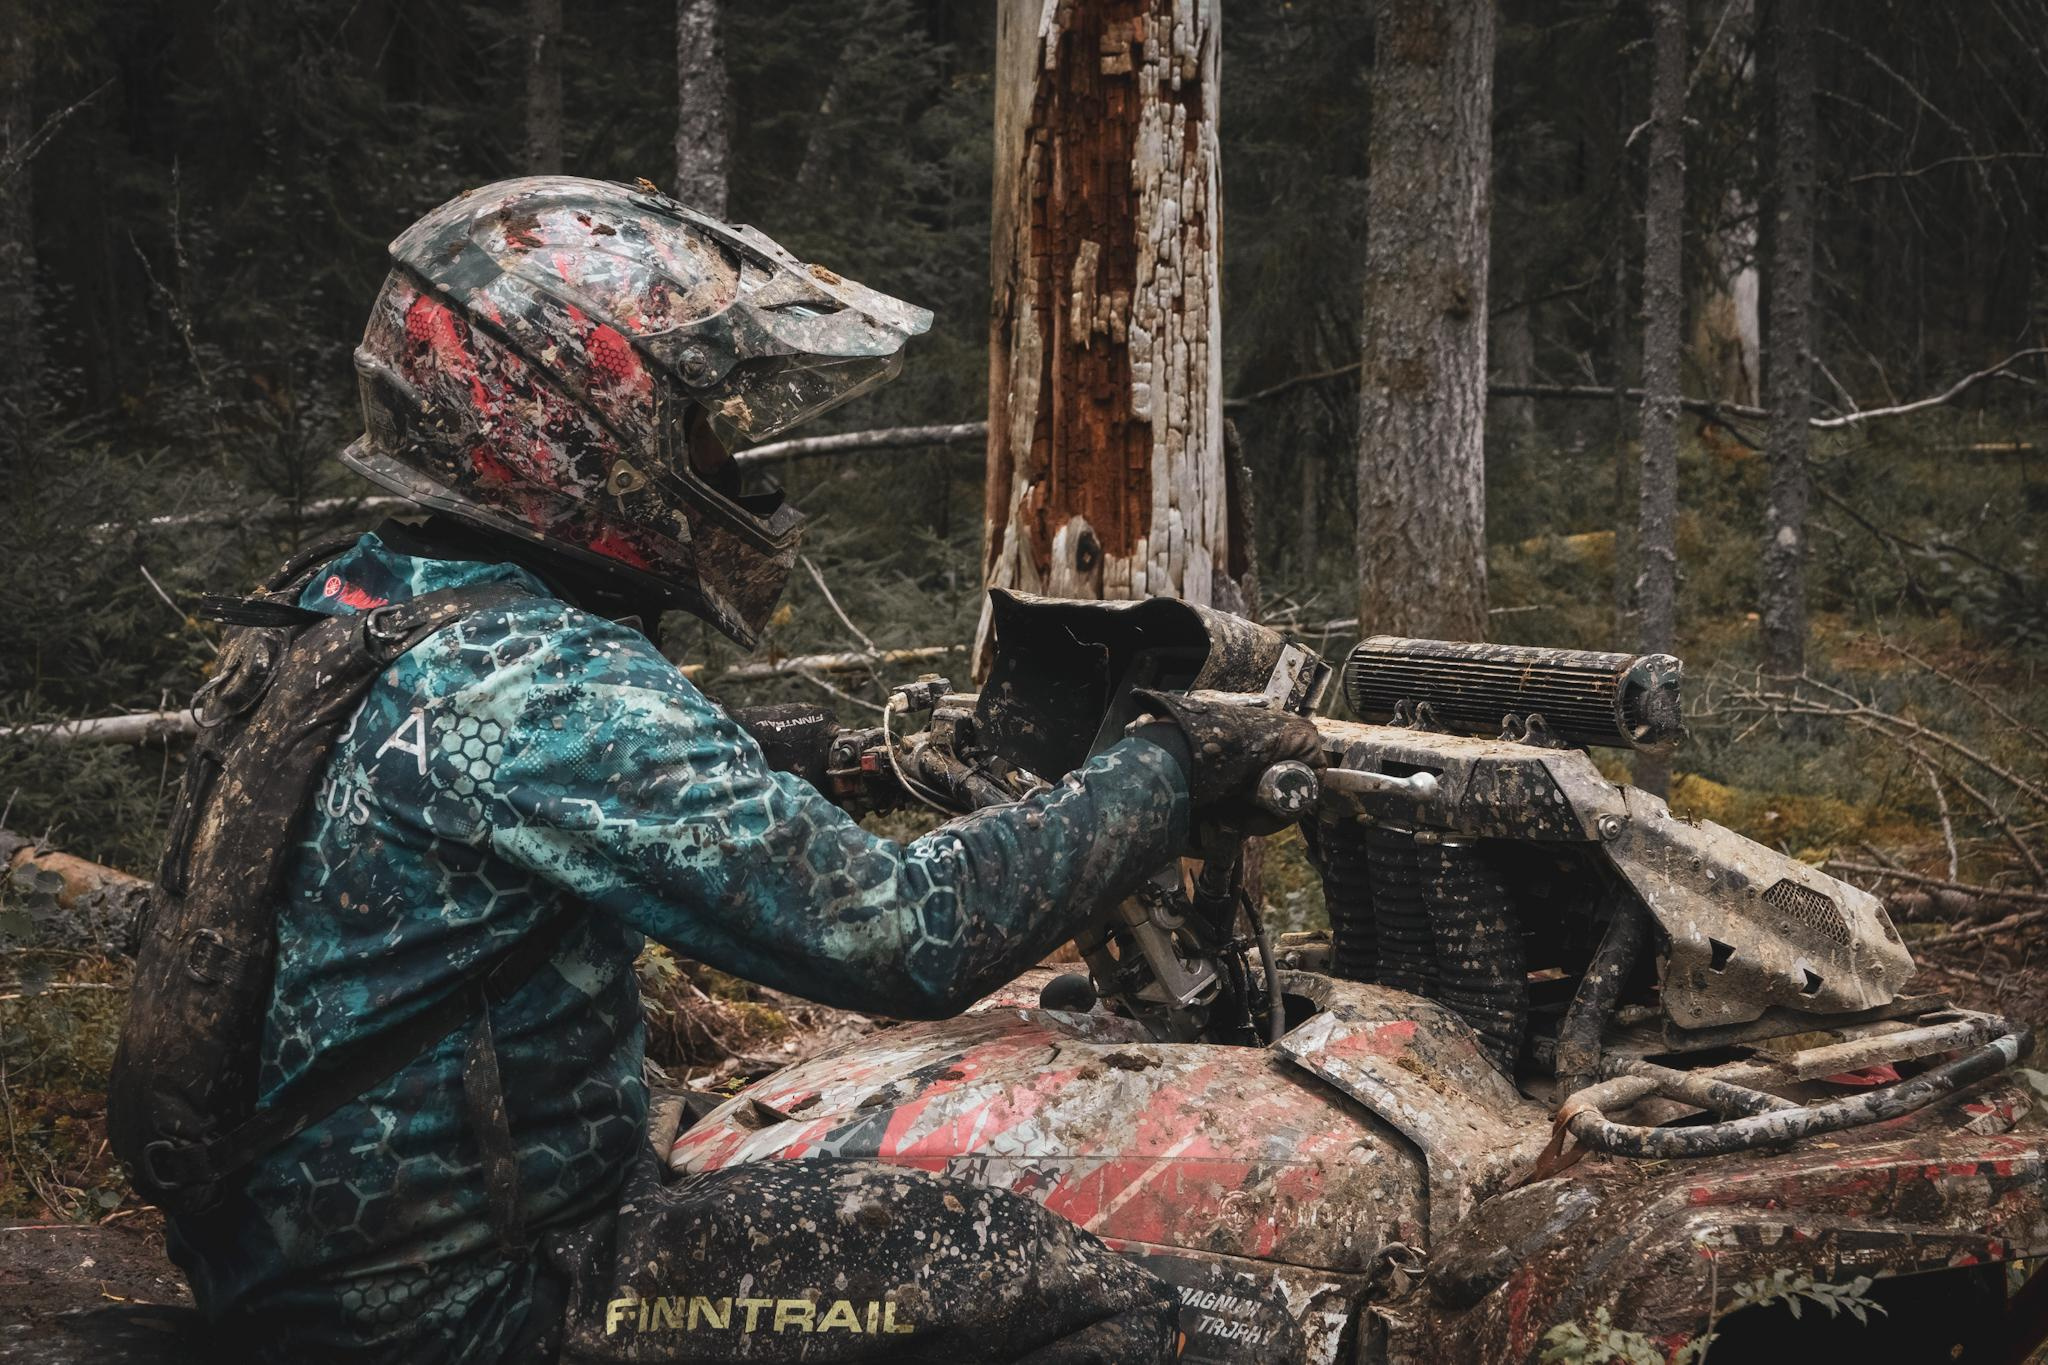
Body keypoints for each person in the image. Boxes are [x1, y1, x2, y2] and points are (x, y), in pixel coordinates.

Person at [161, 177, 1322, 1364]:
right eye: (701, 422)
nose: (734, 462)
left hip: (296, 1262)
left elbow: (512, 796)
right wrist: (1171, 767)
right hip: (481, 1309)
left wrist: (849, 760)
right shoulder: (547, 680)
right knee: (1080, 1292)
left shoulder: (359, 600)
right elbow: (907, 936)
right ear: (565, 424)